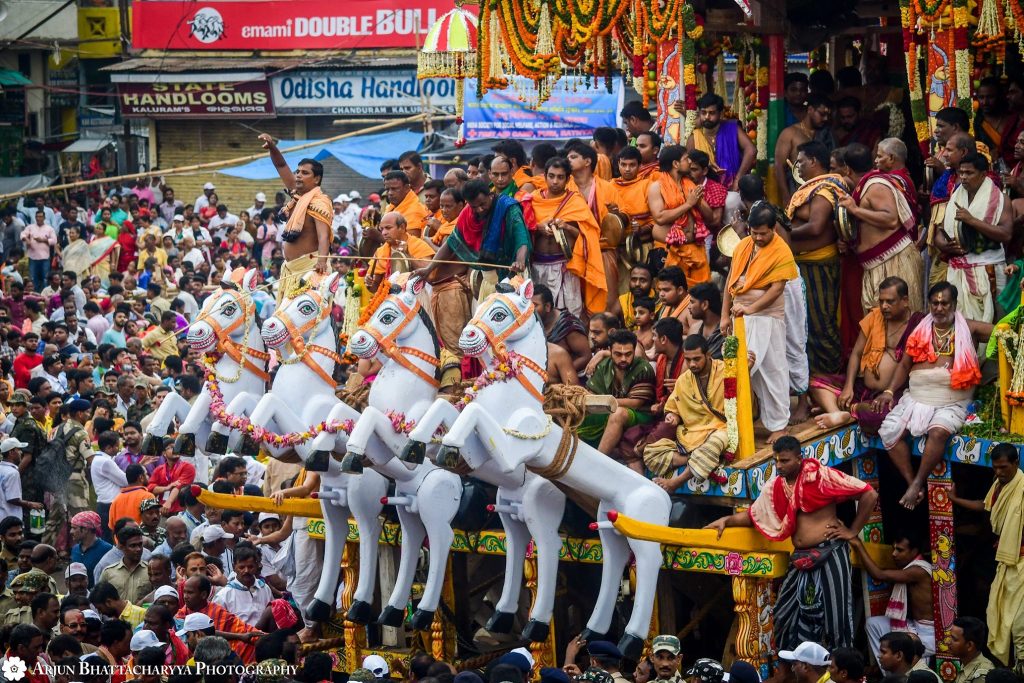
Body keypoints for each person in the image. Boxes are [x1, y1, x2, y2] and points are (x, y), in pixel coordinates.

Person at [705, 436, 878, 649]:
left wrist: (852, 531)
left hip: (830, 551)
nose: (779, 466)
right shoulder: (776, 485)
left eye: (784, 461)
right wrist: (727, 520)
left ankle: (840, 670)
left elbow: (868, 494)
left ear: (799, 458)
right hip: (800, 557)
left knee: (837, 614)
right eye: (776, 461)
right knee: (783, 612)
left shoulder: (822, 475)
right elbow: (755, 514)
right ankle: (790, 668)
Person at [877, 282, 991, 509]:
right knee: (889, 432)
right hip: (917, 398)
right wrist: (889, 391)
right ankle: (914, 484)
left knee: (938, 432)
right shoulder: (920, 328)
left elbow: (1005, 331)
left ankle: (918, 480)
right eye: (935, 303)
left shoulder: (969, 328)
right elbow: (903, 366)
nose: (939, 308)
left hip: (952, 401)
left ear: (954, 304)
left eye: (944, 303)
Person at [721, 202, 798, 441]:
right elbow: (730, 283)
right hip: (741, 318)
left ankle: (779, 426)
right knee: (746, 371)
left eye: (762, 233)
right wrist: (726, 315)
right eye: (753, 232)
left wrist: (749, 310)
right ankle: (739, 421)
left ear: (773, 228)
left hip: (767, 319)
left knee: (772, 371)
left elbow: (776, 291)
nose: (757, 237)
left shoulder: (781, 251)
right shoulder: (743, 246)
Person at [810, 277, 925, 433]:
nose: (884, 306)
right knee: (815, 382)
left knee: (881, 416)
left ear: (905, 301)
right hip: (862, 388)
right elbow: (856, 353)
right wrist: (849, 387)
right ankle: (837, 413)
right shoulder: (874, 317)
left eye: (890, 301)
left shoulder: (917, 323)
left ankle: (847, 411)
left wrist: (889, 392)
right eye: (881, 301)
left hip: (891, 393)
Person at [949, 443, 1024, 669]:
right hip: (1004, 560)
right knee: (999, 615)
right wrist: (954, 499)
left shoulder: (1022, 488)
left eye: (1003, 468)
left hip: (1019, 563)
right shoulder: (999, 485)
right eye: (995, 468)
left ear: (1016, 464)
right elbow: (986, 506)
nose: (999, 472)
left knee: (1019, 623)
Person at [412, 179, 530, 306]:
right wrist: (429, 269)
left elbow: (521, 237)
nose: (479, 209)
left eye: (483, 204)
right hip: (486, 280)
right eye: (474, 206)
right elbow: (451, 243)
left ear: (490, 195)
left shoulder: (509, 208)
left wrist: (520, 260)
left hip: (512, 278)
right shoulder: (468, 213)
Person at [786, 140, 848, 377]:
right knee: (807, 326)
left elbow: (815, 227)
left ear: (813, 161)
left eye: (801, 161)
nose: (798, 167)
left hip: (819, 266)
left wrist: (782, 232)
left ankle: (830, 379)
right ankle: (815, 382)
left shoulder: (824, 189)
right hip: (806, 264)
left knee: (821, 325)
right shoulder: (814, 187)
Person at [839, 141, 924, 313]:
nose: (876, 161)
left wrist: (855, 210)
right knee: (878, 326)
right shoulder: (871, 183)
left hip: (893, 261)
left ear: (847, 170)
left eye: (879, 156)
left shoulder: (876, 185)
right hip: (877, 265)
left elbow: (891, 219)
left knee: (898, 324)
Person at [644, 335, 727, 492]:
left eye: (697, 359)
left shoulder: (726, 370)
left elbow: (745, 397)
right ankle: (696, 459)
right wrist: (672, 416)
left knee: (715, 443)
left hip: (722, 429)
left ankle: (676, 482)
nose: (692, 364)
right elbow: (673, 407)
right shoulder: (684, 380)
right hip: (693, 434)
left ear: (708, 355)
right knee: (651, 453)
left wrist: (746, 370)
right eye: (688, 360)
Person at [526, 156, 606, 317]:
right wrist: (537, 227)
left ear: (568, 179)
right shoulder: (532, 199)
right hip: (536, 266)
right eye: (551, 176)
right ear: (545, 176)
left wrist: (567, 227)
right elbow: (521, 229)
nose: (555, 181)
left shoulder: (575, 202)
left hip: (564, 267)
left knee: (568, 314)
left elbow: (588, 237)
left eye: (560, 177)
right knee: (535, 313)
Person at [257, 135, 333, 301]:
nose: (298, 175)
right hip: (290, 268)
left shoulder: (320, 202)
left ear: (317, 179)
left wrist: (322, 261)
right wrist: (272, 147)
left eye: (304, 173)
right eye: (297, 171)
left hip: (311, 268)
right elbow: (281, 165)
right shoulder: (296, 194)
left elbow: (323, 236)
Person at [938, 153, 1012, 322]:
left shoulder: (1001, 200)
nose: (963, 177)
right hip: (957, 269)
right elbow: (939, 230)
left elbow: (1006, 235)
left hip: (989, 271)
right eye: (961, 173)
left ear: (984, 174)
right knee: (959, 326)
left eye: (969, 173)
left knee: (992, 326)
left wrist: (972, 221)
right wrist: (943, 245)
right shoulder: (955, 196)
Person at [577, 330, 654, 468]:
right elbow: (590, 394)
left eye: (628, 354)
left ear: (634, 351)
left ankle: (596, 463)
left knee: (618, 413)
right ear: (609, 350)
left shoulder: (643, 368)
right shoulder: (603, 365)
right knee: (576, 410)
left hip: (640, 414)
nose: (623, 359)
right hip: (607, 411)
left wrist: (606, 401)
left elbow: (635, 403)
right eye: (618, 354)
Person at [855, 533, 935, 659]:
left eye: (900, 550)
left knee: (900, 647)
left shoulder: (918, 570)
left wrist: (858, 545)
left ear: (914, 551)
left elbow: (879, 575)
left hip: (929, 634)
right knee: (873, 623)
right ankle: (889, 672)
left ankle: (899, 671)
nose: (894, 554)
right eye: (894, 549)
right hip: (914, 625)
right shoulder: (909, 568)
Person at [648, 146, 710, 287]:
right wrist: (688, 204)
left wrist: (698, 202)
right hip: (672, 250)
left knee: (701, 294)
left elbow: (710, 217)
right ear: (676, 164)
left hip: (696, 248)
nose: (690, 162)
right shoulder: (656, 187)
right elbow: (660, 218)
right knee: (674, 293)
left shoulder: (689, 185)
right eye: (686, 159)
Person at [43, 398, 93, 550]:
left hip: (58, 478)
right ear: (79, 413)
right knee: (82, 520)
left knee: (54, 520)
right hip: (75, 479)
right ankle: (84, 553)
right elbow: (90, 458)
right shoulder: (80, 433)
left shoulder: (55, 430)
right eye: (87, 412)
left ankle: (43, 554)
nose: (89, 415)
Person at [177, 575, 262, 663]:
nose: (185, 596)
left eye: (190, 593)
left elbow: (244, 630)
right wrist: (239, 637)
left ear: (203, 595)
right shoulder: (180, 616)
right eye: (184, 592)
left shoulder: (218, 612)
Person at [685, 93, 756, 192]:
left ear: (721, 114)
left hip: (734, 188)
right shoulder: (694, 138)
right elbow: (689, 166)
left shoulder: (733, 129)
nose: (707, 117)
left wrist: (738, 179)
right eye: (703, 112)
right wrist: (707, 165)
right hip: (704, 191)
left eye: (712, 113)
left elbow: (751, 150)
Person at [774, 93, 834, 206]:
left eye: (828, 115)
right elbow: (779, 167)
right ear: (810, 109)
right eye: (822, 114)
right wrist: (786, 196)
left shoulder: (828, 134)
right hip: (797, 191)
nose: (825, 118)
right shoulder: (789, 133)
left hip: (823, 192)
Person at [363, 212, 434, 294]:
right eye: (381, 229)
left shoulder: (418, 245)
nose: (383, 233)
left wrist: (407, 255)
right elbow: (374, 288)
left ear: (402, 227)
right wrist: (369, 283)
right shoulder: (381, 251)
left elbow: (430, 274)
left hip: (417, 298)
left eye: (388, 228)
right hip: (391, 301)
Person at [532, 284, 591, 374]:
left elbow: (586, 357)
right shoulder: (532, 324)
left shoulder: (568, 326)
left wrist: (562, 372)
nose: (530, 309)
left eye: (534, 305)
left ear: (547, 306)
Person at [210, 547, 272, 627]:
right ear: (234, 567)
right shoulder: (223, 596)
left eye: (250, 567)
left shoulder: (264, 588)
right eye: (242, 567)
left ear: (256, 566)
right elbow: (217, 626)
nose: (246, 571)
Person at [99, 526, 151, 606]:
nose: (138, 549)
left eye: (140, 544)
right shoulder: (109, 572)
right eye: (133, 546)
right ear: (122, 547)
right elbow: (100, 600)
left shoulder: (150, 570)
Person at [383, 170, 431, 238]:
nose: (390, 193)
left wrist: (378, 237)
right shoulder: (391, 206)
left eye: (394, 189)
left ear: (406, 188)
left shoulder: (415, 210)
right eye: (387, 189)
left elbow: (408, 243)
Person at [70, 512, 112, 587]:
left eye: (74, 528)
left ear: (86, 530)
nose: (71, 531)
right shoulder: (75, 549)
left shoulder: (107, 550)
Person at [949, 617, 995, 683]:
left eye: (954, 639)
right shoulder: (966, 663)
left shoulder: (982, 675)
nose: (948, 642)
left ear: (969, 645)